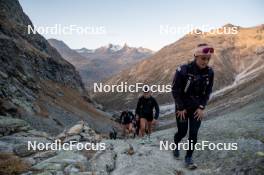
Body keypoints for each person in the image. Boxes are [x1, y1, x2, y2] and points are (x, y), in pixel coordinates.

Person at [172, 43, 214, 169]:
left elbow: (208, 92)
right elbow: (175, 90)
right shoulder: (183, 70)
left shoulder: (210, 73)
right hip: (182, 108)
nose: (205, 61)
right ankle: (175, 145)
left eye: (208, 59)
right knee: (182, 132)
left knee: (193, 134)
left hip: (197, 109)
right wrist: (180, 107)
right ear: (196, 56)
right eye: (203, 58)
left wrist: (202, 107)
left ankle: (188, 158)